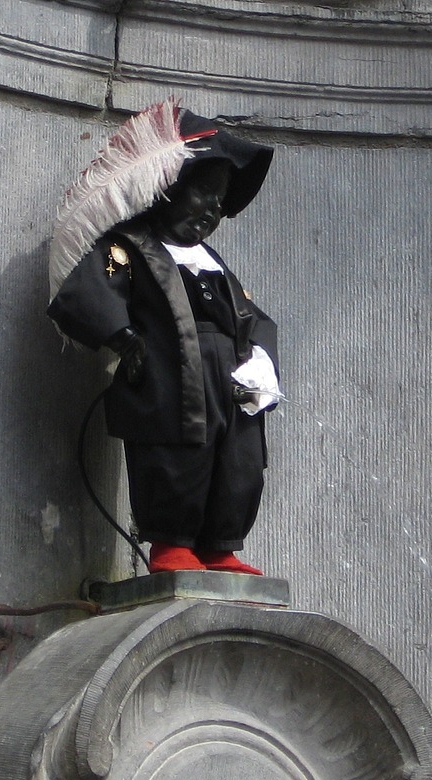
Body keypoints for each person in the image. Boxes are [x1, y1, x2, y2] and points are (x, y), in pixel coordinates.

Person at [47, 102, 281, 574]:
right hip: (169, 377)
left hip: (229, 386)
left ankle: (220, 544)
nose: (212, 211)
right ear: (169, 190)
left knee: (236, 461)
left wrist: (260, 357)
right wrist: (121, 333)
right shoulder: (126, 248)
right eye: (203, 195)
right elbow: (92, 285)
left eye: (219, 202)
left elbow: (254, 317)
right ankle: (171, 542)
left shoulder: (214, 264)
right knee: (176, 455)